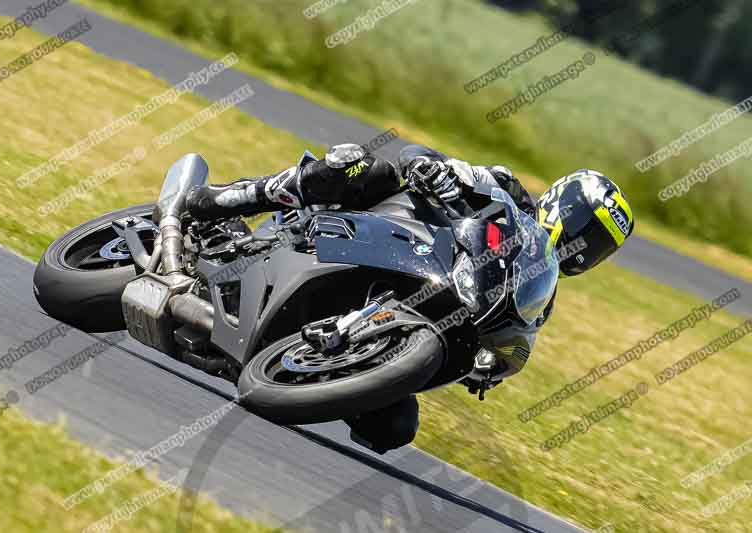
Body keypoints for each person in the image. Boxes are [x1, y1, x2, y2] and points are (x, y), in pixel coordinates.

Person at [186, 143, 634, 452]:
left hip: (428, 307)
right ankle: (229, 198)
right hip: (391, 235)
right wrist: (436, 172)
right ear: (563, 203)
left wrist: (492, 366)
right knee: (359, 165)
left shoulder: (543, 289)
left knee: (395, 430)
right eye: (585, 227)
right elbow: (419, 156)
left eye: (599, 245)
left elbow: (515, 346)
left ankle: (309, 365)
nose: (584, 244)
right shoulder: (505, 191)